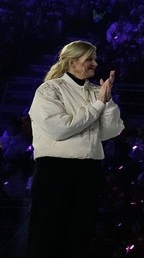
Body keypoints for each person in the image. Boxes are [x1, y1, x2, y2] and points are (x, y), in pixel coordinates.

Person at [27, 40, 125, 258]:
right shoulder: (49, 90)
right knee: (46, 233)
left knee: (79, 235)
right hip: (55, 169)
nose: (95, 63)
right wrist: (97, 105)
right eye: (89, 59)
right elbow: (60, 128)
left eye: (94, 58)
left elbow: (111, 131)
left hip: (88, 169)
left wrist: (107, 102)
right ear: (72, 62)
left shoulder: (97, 91)